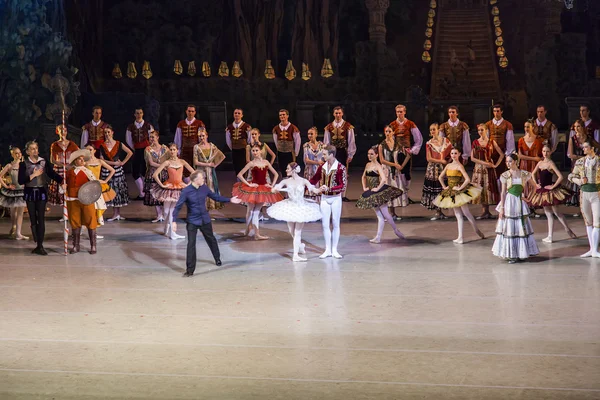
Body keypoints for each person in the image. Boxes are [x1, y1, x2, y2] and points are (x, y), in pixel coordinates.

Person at [172, 170, 242, 277]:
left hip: (205, 219)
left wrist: (230, 200)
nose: (204, 180)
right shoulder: (186, 191)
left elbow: (215, 197)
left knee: (211, 239)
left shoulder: (204, 188)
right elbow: (178, 206)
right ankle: (190, 270)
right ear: (196, 180)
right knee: (191, 244)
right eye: (202, 178)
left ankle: (217, 258)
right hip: (192, 221)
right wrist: (173, 221)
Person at [268, 162, 322, 261]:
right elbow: (276, 188)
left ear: (293, 170)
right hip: (290, 206)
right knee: (291, 231)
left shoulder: (303, 181)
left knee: (297, 232)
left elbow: (313, 189)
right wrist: (275, 189)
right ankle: (300, 246)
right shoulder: (286, 181)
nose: (286, 170)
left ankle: (295, 255)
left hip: (301, 207)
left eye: (288, 168)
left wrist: (320, 189)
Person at [492, 153, 539, 263]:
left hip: (519, 201)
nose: (508, 163)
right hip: (509, 201)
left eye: (510, 161)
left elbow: (534, 187)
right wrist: (502, 208)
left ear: (516, 161)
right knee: (510, 226)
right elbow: (503, 192)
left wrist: (528, 199)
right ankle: (511, 254)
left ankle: (521, 252)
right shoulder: (505, 175)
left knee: (520, 226)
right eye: (507, 161)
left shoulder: (524, 174)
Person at [18, 141, 64, 255]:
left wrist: (62, 181)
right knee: (33, 219)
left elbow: (52, 174)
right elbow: (20, 181)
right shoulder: (24, 164)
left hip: (41, 192)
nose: (34, 151)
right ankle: (36, 241)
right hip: (29, 192)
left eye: (36, 148)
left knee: (41, 218)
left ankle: (40, 245)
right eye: (32, 149)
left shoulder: (43, 162)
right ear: (28, 151)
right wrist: (34, 175)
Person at [433, 148, 484, 244]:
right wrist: (444, 187)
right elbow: (440, 177)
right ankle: (460, 237)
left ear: (459, 154)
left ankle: (477, 231)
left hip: (458, 192)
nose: (453, 155)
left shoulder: (460, 166)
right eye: (452, 153)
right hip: (451, 192)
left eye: (455, 153)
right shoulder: (448, 165)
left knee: (466, 213)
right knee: (458, 215)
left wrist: (460, 188)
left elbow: (467, 179)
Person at [527, 144, 576, 243]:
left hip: (550, 191)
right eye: (544, 151)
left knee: (556, 212)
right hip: (543, 190)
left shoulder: (551, 163)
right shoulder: (540, 163)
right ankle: (550, 236)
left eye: (547, 151)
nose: (545, 153)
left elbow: (560, 176)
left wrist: (553, 186)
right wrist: (536, 184)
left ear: (550, 152)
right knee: (548, 213)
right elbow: (532, 173)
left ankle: (567, 229)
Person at [355, 146, 405, 243]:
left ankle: (395, 230)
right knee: (379, 216)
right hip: (372, 193)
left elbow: (384, 179)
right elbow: (363, 177)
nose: (369, 156)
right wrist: (364, 187)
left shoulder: (378, 166)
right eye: (368, 154)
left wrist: (377, 188)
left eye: (372, 154)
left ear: (376, 155)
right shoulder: (368, 165)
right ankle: (378, 237)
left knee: (385, 213)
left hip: (379, 192)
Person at [233, 144, 283, 239]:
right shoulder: (251, 163)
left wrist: (271, 185)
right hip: (253, 188)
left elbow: (276, 174)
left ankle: (257, 234)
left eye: (256, 150)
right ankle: (248, 229)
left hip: (263, 188)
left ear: (261, 151)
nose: (255, 152)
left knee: (256, 212)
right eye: (253, 151)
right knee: (250, 211)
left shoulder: (266, 162)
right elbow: (240, 175)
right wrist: (249, 184)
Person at [64, 149, 108, 254]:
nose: (82, 161)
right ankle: (76, 246)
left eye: (83, 159)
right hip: (73, 199)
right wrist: (63, 186)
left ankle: (93, 246)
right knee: (75, 221)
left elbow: (93, 185)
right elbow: (64, 183)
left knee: (90, 220)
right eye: (79, 159)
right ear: (75, 161)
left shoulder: (88, 172)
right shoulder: (69, 172)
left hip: (86, 200)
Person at [309, 145, 348, 259]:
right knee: (325, 224)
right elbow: (314, 179)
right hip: (324, 199)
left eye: (325, 154)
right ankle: (327, 249)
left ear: (331, 154)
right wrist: (305, 184)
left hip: (335, 198)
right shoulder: (322, 167)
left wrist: (330, 189)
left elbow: (343, 186)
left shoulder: (340, 167)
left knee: (335, 224)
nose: (323, 156)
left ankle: (334, 249)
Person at [152, 143, 195, 240]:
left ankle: (172, 233)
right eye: (170, 150)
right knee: (166, 211)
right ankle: (166, 226)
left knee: (171, 211)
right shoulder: (167, 162)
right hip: (169, 187)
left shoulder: (182, 161)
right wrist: (162, 185)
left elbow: (194, 173)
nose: (172, 151)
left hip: (178, 188)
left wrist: (188, 184)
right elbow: (155, 174)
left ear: (177, 151)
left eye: (174, 149)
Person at [568, 141, 600, 258]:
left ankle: (595, 250)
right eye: (583, 147)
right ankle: (592, 249)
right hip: (584, 193)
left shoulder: (598, 161)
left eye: (586, 147)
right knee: (588, 222)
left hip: (597, 193)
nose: (584, 149)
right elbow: (571, 176)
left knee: (597, 221)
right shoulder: (580, 161)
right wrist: (580, 181)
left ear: (592, 148)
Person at [388, 104, 423, 202]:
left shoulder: (410, 124)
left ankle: (405, 194)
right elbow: (389, 138)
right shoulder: (392, 125)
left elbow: (418, 138)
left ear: (405, 112)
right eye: (398, 112)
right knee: (396, 173)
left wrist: (412, 150)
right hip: (395, 152)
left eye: (401, 111)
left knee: (406, 173)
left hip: (406, 153)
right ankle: (399, 195)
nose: (399, 113)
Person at [100, 125, 132, 221]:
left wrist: (122, 162)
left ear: (112, 132)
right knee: (111, 190)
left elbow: (130, 152)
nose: (107, 134)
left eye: (108, 132)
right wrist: (114, 163)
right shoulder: (102, 145)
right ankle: (114, 214)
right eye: (105, 132)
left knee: (118, 190)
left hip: (118, 171)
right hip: (107, 170)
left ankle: (117, 213)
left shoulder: (118, 144)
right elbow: (102, 159)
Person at [566, 119, 600, 210]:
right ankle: (580, 208)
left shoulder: (588, 138)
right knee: (578, 185)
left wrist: (593, 155)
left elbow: (597, 146)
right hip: (578, 164)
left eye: (578, 126)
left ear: (582, 127)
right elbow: (571, 154)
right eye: (575, 127)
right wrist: (582, 158)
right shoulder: (572, 139)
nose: (576, 128)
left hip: (589, 164)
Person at [471, 123, 503, 219]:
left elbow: (501, 154)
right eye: (479, 130)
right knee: (481, 188)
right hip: (479, 168)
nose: (480, 132)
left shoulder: (491, 141)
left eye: (482, 130)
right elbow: (472, 158)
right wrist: (484, 163)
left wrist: (495, 165)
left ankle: (487, 211)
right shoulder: (475, 142)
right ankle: (484, 211)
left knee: (488, 187)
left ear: (486, 130)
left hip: (489, 169)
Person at [323, 106, 356, 201]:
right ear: (333, 114)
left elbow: (351, 141)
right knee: (332, 172)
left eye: (339, 113)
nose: (338, 115)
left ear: (342, 114)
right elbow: (327, 141)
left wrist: (350, 154)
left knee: (343, 173)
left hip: (343, 152)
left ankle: (343, 195)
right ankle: (333, 191)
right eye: (336, 113)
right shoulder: (328, 127)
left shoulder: (348, 126)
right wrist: (326, 154)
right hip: (332, 153)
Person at [421, 123, 453, 220]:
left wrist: (448, 162)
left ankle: (441, 210)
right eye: (431, 130)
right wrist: (440, 161)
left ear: (438, 130)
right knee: (435, 189)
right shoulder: (429, 143)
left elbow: (451, 152)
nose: (432, 131)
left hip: (443, 169)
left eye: (434, 129)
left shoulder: (445, 141)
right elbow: (429, 158)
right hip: (433, 169)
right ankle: (437, 211)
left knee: (442, 188)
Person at [84, 142, 115, 236]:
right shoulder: (84, 162)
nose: (88, 151)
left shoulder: (99, 161)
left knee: (98, 208)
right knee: (89, 209)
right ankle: (86, 228)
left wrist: (105, 181)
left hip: (97, 186)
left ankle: (94, 231)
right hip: (88, 187)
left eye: (90, 150)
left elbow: (112, 170)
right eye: (86, 150)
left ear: (94, 151)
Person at [379, 125, 411, 216]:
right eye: (386, 131)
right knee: (387, 190)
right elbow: (382, 160)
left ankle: (392, 213)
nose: (388, 133)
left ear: (393, 132)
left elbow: (408, 155)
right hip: (386, 170)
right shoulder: (382, 145)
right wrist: (395, 164)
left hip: (395, 171)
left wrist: (401, 166)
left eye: (389, 131)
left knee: (394, 190)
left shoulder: (397, 144)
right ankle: (388, 213)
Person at [125, 108, 154, 200]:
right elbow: (128, 139)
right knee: (136, 172)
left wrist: (150, 149)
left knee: (146, 171)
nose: (139, 115)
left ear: (143, 113)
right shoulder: (130, 127)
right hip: (137, 150)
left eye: (140, 113)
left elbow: (152, 138)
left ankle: (147, 192)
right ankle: (142, 193)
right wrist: (134, 148)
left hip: (146, 150)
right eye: (137, 113)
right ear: (134, 114)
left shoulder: (148, 126)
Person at [48, 124, 79, 209]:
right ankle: (64, 212)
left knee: (69, 188)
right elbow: (52, 160)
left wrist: (72, 165)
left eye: (65, 130)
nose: (63, 132)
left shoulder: (72, 144)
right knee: (60, 190)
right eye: (61, 130)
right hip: (59, 169)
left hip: (69, 169)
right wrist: (62, 165)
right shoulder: (54, 145)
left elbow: (79, 155)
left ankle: (69, 212)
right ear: (58, 132)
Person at [193, 130, 225, 211]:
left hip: (210, 172)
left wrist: (214, 166)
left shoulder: (212, 146)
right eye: (200, 136)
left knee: (210, 189)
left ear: (207, 136)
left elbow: (221, 156)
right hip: (201, 172)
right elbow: (195, 162)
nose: (201, 138)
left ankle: (209, 209)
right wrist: (208, 164)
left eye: (203, 136)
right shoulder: (196, 147)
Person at [0, 146, 27, 240]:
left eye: (19, 152)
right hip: (13, 191)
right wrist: (6, 186)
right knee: (13, 212)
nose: (18, 154)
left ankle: (18, 233)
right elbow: (0, 176)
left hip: (22, 190)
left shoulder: (24, 164)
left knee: (20, 212)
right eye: (16, 153)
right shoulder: (9, 166)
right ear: (12, 154)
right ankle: (13, 226)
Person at [174, 104, 205, 181]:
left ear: (195, 112)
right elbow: (178, 138)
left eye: (192, 111)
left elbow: (203, 138)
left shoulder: (199, 123)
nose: (190, 113)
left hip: (196, 151)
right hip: (184, 151)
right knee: (185, 171)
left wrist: (202, 149)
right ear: (186, 112)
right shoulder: (180, 124)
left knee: (197, 170)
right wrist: (178, 150)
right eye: (189, 111)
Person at [144, 131, 168, 222]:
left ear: (157, 137)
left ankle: (165, 214)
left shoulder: (164, 148)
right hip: (153, 173)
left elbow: (170, 158)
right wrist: (163, 166)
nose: (151, 139)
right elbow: (151, 163)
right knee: (155, 194)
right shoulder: (148, 149)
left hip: (164, 173)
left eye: (153, 137)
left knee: (163, 193)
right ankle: (159, 215)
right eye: (150, 137)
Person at [485, 103, 515, 177]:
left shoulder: (508, 124)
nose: (496, 113)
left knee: (502, 172)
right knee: (491, 173)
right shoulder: (488, 124)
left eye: (498, 111)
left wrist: (508, 154)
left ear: (502, 112)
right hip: (491, 152)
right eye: (494, 111)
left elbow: (510, 140)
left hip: (502, 151)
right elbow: (486, 139)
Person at [272, 109, 301, 175]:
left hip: (290, 152)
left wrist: (296, 152)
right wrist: (279, 148)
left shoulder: (293, 128)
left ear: (287, 116)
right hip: (280, 152)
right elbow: (276, 140)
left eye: (283, 114)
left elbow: (297, 141)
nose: (282, 116)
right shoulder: (276, 129)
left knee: (291, 168)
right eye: (280, 115)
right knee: (282, 168)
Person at [225, 108, 252, 176]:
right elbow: (228, 140)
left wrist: (247, 147)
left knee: (243, 165)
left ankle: (243, 181)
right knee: (236, 165)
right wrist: (232, 147)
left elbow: (249, 138)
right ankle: (238, 181)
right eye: (235, 113)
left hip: (243, 149)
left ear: (242, 115)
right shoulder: (229, 127)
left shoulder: (247, 126)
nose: (237, 114)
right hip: (234, 149)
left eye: (239, 113)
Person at [303, 126, 325, 202]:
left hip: (319, 170)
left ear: (316, 134)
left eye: (311, 134)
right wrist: (317, 162)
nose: (310, 135)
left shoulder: (322, 145)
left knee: (319, 187)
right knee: (310, 188)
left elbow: (324, 157)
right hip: (310, 170)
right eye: (308, 134)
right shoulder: (306, 145)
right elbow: (306, 160)